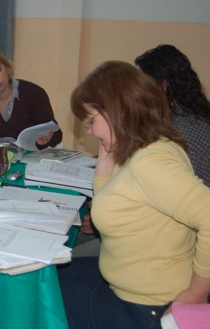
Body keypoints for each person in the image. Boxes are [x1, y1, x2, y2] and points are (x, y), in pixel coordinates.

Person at [58, 61, 210, 329]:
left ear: (117, 111)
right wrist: (105, 160)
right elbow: (113, 206)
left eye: (91, 121)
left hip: (146, 307)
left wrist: (196, 294)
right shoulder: (145, 148)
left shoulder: (150, 163)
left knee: (42, 301)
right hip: (125, 286)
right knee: (49, 279)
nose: (89, 130)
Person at [135, 44, 210, 186]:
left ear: (163, 85)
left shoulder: (181, 132)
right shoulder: (190, 115)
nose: (136, 92)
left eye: (141, 84)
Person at [0, 43, 62, 148]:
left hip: (31, 157)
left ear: (7, 68)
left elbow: (57, 135)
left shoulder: (34, 93)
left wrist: (46, 139)